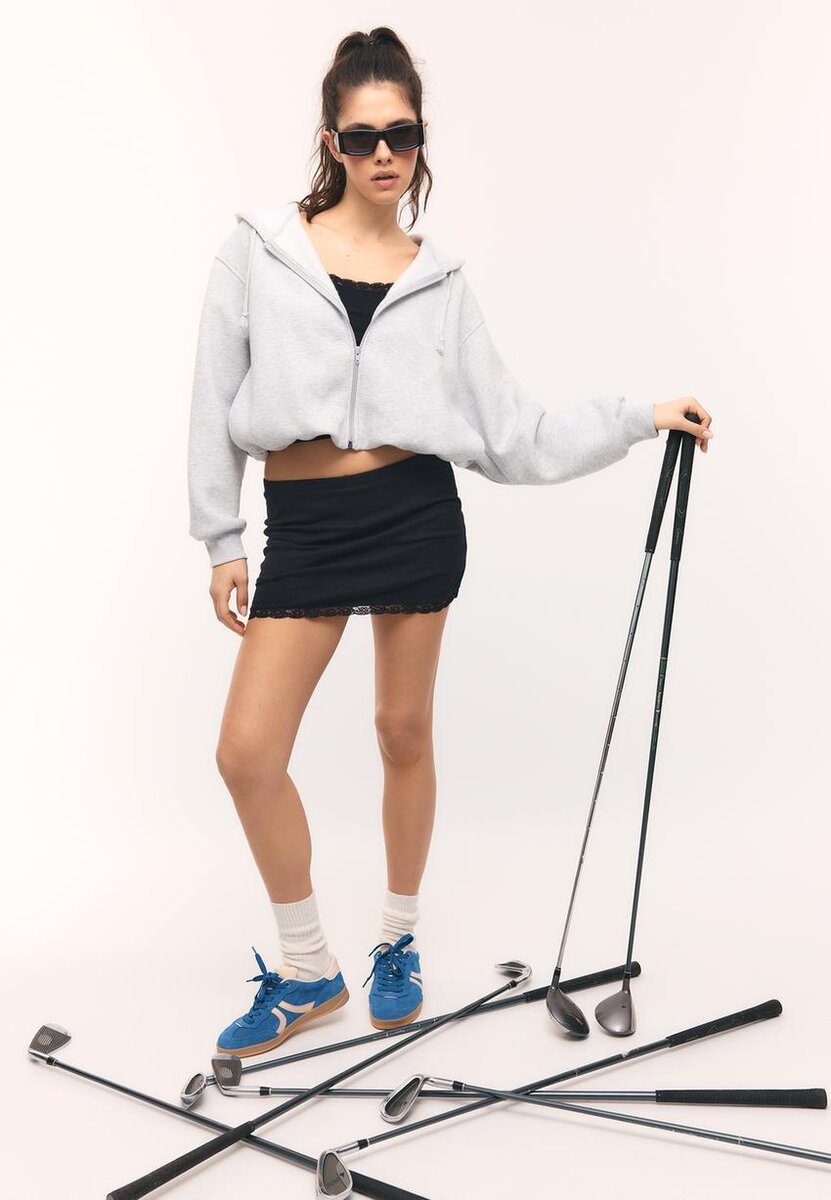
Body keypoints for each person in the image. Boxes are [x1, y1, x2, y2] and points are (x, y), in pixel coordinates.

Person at [187, 26, 714, 1059]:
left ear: (421, 140)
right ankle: (309, 971)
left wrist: (638, 417)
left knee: (402, 732)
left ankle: (397, 941)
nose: (384, 153)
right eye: (362, 137)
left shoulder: (440, 280)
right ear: (331, 143)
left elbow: (513, 434)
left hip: (414, 515)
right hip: (305, 527)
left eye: (403, 134)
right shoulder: (258, 249)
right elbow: (212, 400)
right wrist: (220, 538)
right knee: (247, 753)